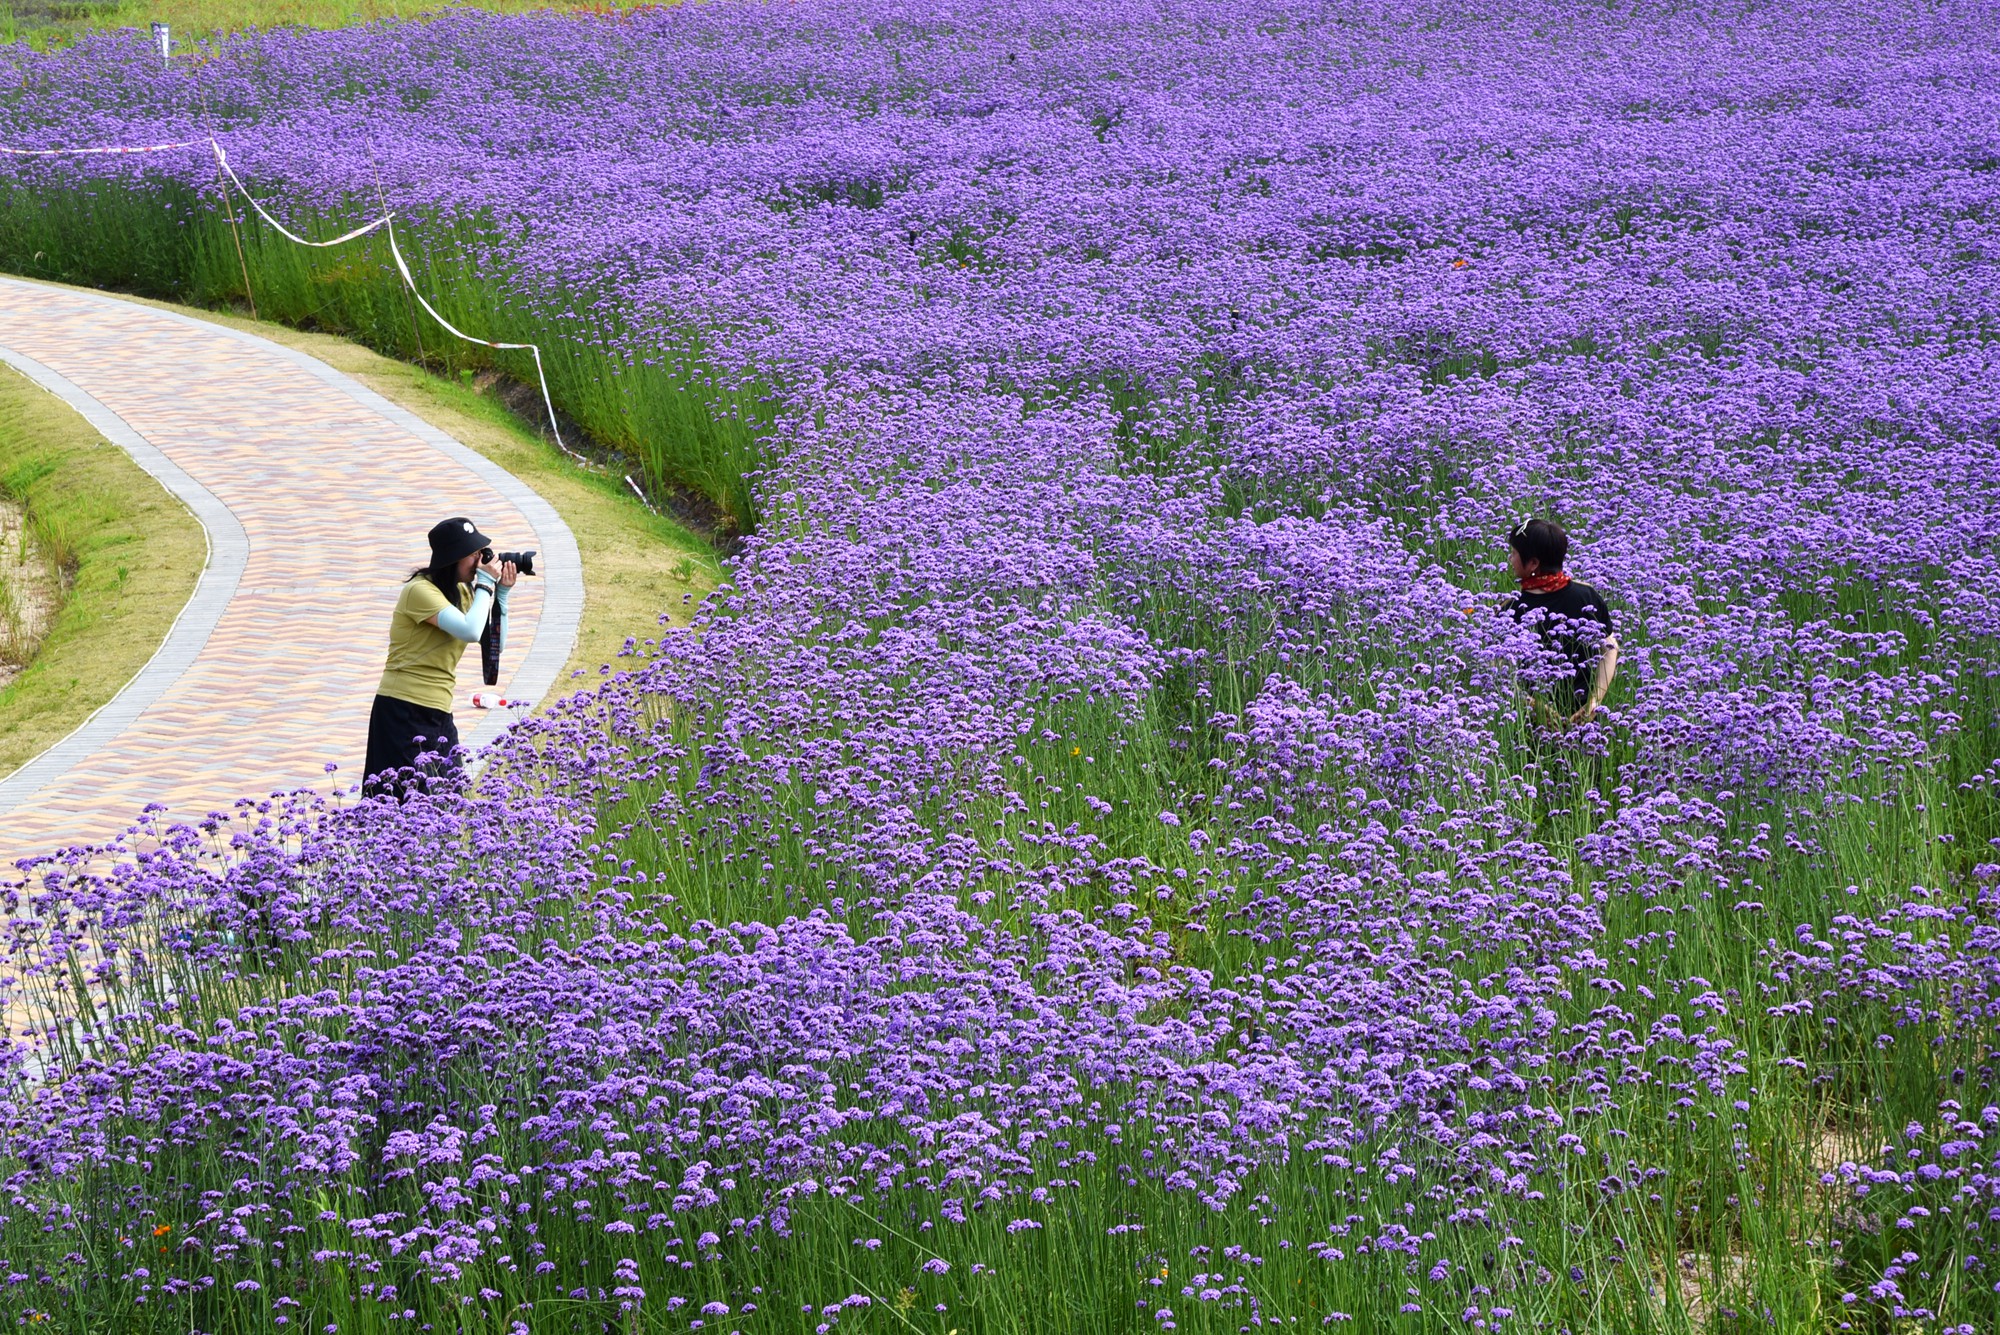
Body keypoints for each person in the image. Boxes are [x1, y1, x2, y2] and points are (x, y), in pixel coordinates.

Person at [363, 517, 518, 796]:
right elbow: (470, 631)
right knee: (404, 803)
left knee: (449, 798)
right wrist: (485, 583)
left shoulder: (462, 591)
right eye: (474, 554)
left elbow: (494, 646)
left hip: (439, 712)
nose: (481, 560)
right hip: (403, 711)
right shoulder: (419, 591)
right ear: (453, 557)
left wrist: (502, 594)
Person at [1505, 517, 1618, 727]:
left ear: (1533, 563)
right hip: (1584, 720)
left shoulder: (1512, 609)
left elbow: (1498, 672)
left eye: (1514, 553)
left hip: (1530, 725)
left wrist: (1532, 705)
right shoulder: (1587, 596)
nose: (1510, 560)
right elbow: (1610, 648)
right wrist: (1594, 701)